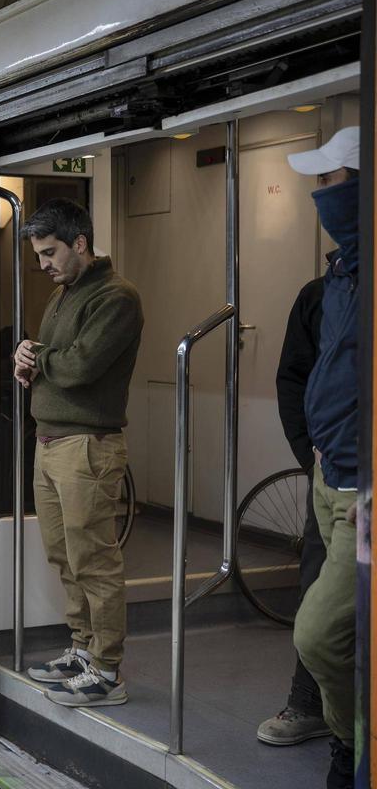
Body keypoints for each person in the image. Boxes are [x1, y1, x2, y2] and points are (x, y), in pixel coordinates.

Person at [13, 198, 144, 707]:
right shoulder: (64, 294)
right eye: (38, 254)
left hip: (87, 447)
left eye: (49, 252)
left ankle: (108, 670)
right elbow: (56, 362)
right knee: (63, 555)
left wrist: (41, 359)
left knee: (93, 559)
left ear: (81, 244)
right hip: (51, 443)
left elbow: (81, 366)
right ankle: (83, 648)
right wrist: (26, 359)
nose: (42, 264)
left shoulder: (116, 297)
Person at [285, 125, 360, 789]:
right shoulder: (338, 275)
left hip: (362, 487)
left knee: (319, 634)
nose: (319, 195)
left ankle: (349, 740)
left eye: (330, 181)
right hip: (326, 471)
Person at [254, 259, 328, 746]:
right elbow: (293, 380)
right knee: (318, 589)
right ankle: (309, 702)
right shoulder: (319, 295)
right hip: (337, 475)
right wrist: (310, 455)